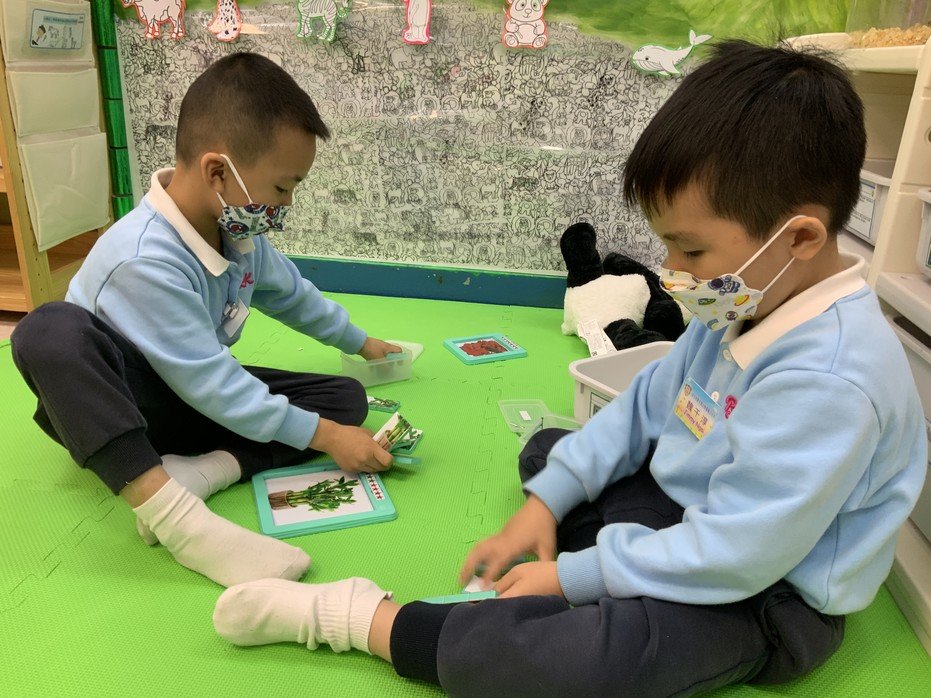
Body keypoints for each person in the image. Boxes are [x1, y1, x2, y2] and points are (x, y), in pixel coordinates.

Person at [209, 41, 928, 696]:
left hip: (766, 593)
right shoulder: (750, 297)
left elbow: (739, 554)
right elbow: (645, 405)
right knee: (551, 453)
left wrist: (570, 577)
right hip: (690, 510)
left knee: (587, 663)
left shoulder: (831, 381)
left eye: (691, 251)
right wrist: (545, 505)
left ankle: (368, 619)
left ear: (798, 238)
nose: (670, 270)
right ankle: (607, 559)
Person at [10, 52, 400, 589]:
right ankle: (173, 516)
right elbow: (212, 383)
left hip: (190, 392)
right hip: (117, 410)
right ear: (218, 172)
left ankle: (205, 470)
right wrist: (328, 437)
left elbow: (292, 296)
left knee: (343, 400)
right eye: (281, 188)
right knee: (47, 330)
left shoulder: (236, 233)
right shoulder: (143, 257)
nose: (286, 205)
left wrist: (361, 343)